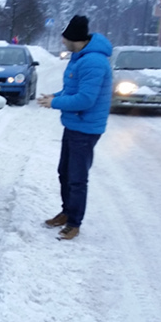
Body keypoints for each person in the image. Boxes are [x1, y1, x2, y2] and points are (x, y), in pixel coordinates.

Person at [36, 15, 112, 241]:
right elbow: (71, 91)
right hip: (74, 124)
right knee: (65, 172)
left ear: (74, 39)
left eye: (65, 38)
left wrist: (55, 103)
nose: (62, 41)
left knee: (77, 178)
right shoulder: (80, 58)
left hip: (86, 128)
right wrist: (54, 96)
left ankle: (74, 223)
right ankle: (67, 212)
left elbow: (85, 99)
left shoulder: (93, 62)